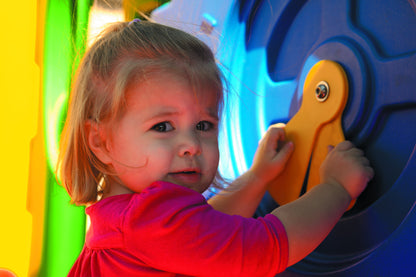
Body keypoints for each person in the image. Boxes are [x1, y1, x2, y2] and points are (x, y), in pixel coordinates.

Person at [57, 20, 374, 277]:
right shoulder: (145, 220)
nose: (191, 145)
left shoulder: (125, 222)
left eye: (204, 125)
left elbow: (208, 232)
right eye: (163, 126)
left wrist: (258, 177)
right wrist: (336, 187)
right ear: (101, 142)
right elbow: (263, 249)